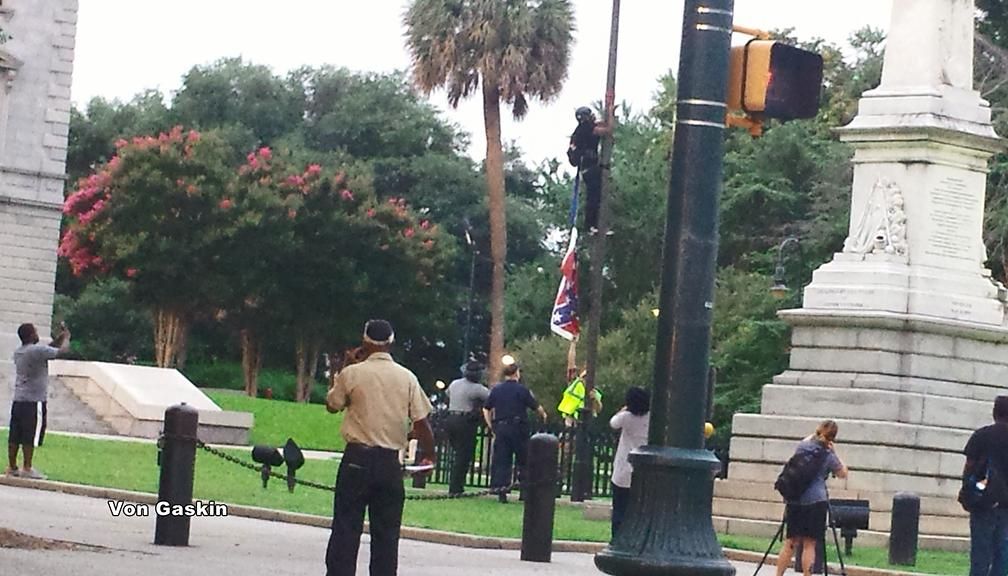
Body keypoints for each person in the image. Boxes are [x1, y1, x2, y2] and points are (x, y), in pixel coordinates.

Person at [324, 319, 435, 576]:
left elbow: (332, 405)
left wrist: (348, 366)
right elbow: (422, 423)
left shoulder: (353, 374)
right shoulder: (407, 377)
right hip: (388, 463)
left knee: (345, 528)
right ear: (391, 342)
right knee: (386, 534)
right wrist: (429, 454)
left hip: (356, 459)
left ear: (365, 341)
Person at [775, 420, 848, 576]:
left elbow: (808, 439)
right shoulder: (828, 455)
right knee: (809, 544)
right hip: (816, 502)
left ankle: (778, 575)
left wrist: (816, 435)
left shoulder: (802, 447)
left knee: (790, 543)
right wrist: (834, 451)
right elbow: (843, 473)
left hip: (795, 499)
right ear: (833, 438)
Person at [7, 322, 71, 479]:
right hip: (34, 400)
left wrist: (59, 338)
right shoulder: (37, 351)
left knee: (15, 434)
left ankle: (12, 467)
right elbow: (62, 352)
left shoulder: (19, 352)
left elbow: (46, 349)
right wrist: (67, 337)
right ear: (30, 335)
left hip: (19, 400)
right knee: (30, 434)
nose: (37, 334)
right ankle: (27, 468)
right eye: (35, 332)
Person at [483, 357, 547, 503]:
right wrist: (543, 417)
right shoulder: (522, 390)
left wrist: (491, 425)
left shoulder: (497, 390)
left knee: (502, 460)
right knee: (523, 459)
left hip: (501, 427)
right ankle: (524, 491)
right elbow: (537, 408)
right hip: (518, 428)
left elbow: (486, 408)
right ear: (517, 373)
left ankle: (501, 491)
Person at [963, 395, 1008, 576]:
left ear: (994, 412)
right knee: (1002, 559)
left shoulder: (981, 435)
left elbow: (969, 467)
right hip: (1007, 507)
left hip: (982, 502)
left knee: (980, 557)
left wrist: (969, 493)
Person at [609, 386, 650, 538]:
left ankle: (617, 538)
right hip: (643, 470)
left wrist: (622, 410)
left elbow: (613, 423)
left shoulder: (625, 417)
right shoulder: (651, 418)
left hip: (623, 469)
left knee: (619, 508)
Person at [444, 360, 490, 496]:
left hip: (451, 419)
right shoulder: (478, 389)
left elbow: (447, 396)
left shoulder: (454, 384)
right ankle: (456, 487)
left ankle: (455, 484)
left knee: (457, 453)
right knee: (463, 456)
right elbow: (491, 398)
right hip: (465, 421)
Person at [567, 106, 614, 235]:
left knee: (595, 196)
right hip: (590, 168)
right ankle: (591, 226)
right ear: (586, 117)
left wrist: (609, 114)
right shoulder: (586, 129)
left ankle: (594, 225)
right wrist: (610, 112)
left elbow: (602, 123)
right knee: (594, 197)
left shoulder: (582, 129)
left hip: (587, 168)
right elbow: (608, 130)